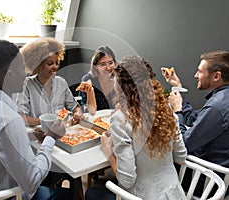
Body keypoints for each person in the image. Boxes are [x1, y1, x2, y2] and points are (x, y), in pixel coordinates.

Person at [0, 40, 66, 200]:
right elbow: (32, 182)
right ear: (10, 74)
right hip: (2, 196)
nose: (27, 73)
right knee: (68, 194)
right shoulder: (8, 120)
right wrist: (50, 138)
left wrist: (28, 135)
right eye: (22, 68)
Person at [85, 56, 187, 200]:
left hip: (142, 196)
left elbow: (127, 180)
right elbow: (181, 157)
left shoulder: (121, 119)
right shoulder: (167, 109)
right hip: (174, 194)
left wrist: (109, 152)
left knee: (91, 193)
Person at [161, 50, 229, 196]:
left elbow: (184, 144)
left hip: (208, 179)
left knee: (156, 160)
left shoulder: (217, 106)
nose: (195, 75)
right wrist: (177, 86)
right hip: (218, 168)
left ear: (216, 76)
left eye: (200, 72)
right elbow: (193, 119)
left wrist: (178, 110)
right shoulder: (222, 98)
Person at [14, 37, 83, 126]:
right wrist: (46, 122)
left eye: (57, 63)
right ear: (38, 65)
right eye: (50, 63)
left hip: (61, 132)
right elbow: (21, 118)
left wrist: (78, 113)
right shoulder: (26, 85)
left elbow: (74, 107)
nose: (55, 67)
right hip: (38, 135)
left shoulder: (61, 83)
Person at [77, 46, 116, 115]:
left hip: (113, 120)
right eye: (103, 64)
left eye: (110, 63)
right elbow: (91, 111)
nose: (108, 67)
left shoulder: (119, 79)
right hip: (93, 119)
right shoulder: (87, 79)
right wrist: (90, 91)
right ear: (95, 67)